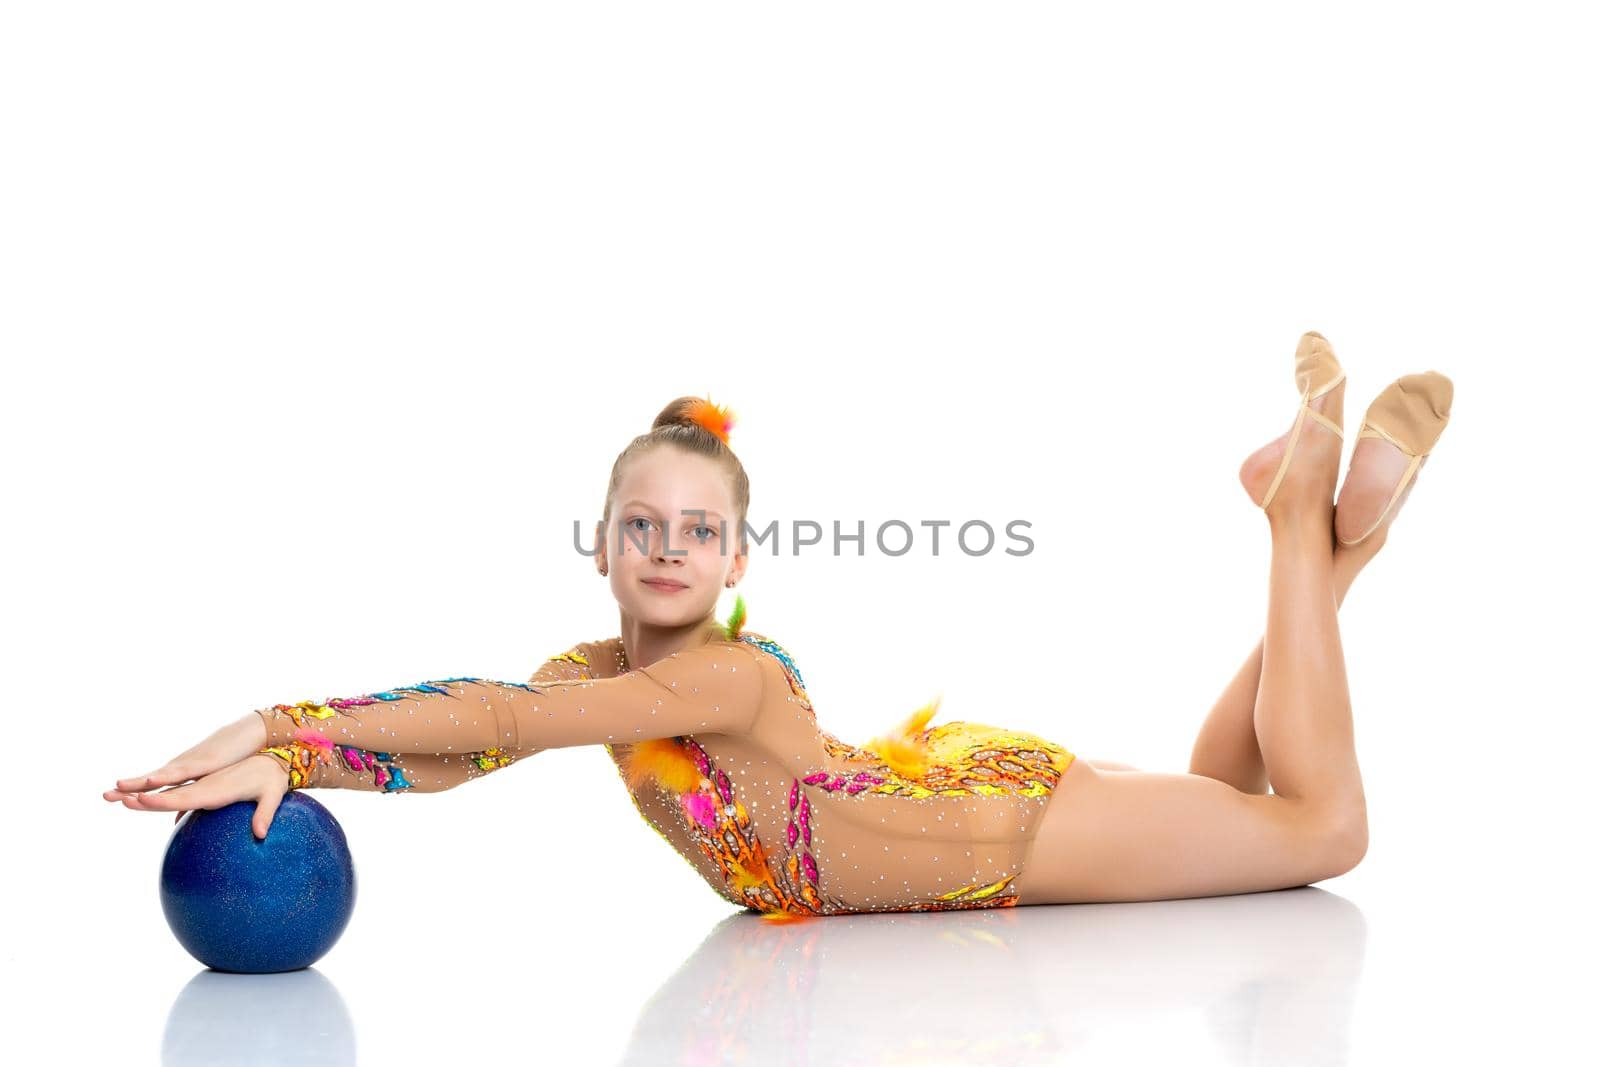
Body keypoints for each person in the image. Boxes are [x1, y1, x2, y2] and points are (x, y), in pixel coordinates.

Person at [105, 341, 1453, 916]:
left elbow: (510, 721)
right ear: (603, 547)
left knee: (1321, 833)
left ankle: (1295, 533)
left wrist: (276, 721)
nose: (669, 550)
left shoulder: (725, 678)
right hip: (960, 794)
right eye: (643, 527)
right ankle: (1339, 551)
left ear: (737, 556)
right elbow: (476, 738)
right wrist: (299, 761)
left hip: (997, 837)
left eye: (697, 531)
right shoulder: (600, 675)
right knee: (1231, 794)